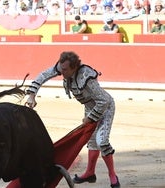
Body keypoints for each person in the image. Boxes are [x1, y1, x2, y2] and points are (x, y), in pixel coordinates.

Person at [25, 51, 120, 188]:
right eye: (61, 68)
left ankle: (112, 175)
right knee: (92, 141)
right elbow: (44, 75)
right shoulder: (62, 67)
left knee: (101, 141)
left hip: (105, 108)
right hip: (89, 107)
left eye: (65, 70)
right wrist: (32, 95)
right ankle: (90, 173)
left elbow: (103, 101)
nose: (61, 72)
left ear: (74, 67)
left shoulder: (86, 76)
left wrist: (90, 117)